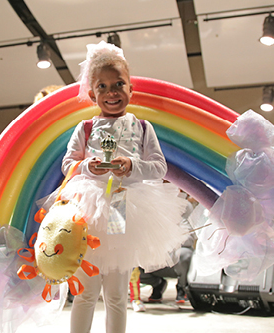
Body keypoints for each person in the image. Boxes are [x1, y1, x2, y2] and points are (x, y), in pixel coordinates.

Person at [40, 41, 187, 333]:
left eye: (119, 84)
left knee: (117, 294)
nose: (112, 93)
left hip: (123, 206)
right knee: (85, 292)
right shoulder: (84, 127)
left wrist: (132, 166)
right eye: (103, 87)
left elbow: (159, 167)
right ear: (93, 93)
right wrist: (86, 166)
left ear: (131, 88)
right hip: (87, 210)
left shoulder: (143, 127)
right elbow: (68, 164)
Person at [129, 193, 197, 310]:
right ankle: (157, 284)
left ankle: (182, 288)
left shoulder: (183, 210)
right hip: (153, 259)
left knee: (186, 255)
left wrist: (167, 242)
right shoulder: (149, 211)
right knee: (131, 260)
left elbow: (189, 239)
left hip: (172, 259)